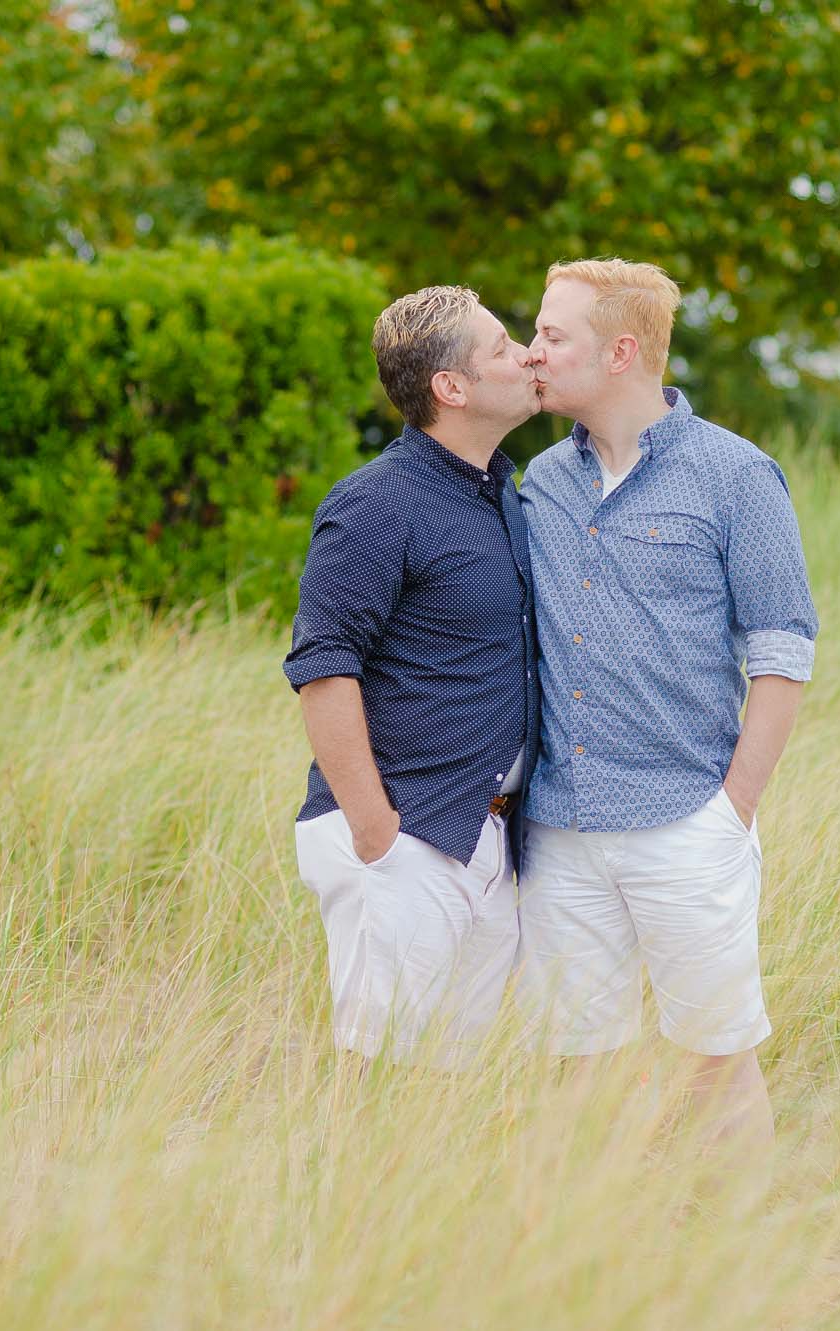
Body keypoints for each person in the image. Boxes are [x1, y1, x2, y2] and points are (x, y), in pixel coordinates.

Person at [517, 258, 818, 1144]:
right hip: (560, 833)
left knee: (715, 1067)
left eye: (550, 334)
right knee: (577, 1073)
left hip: (687, 825)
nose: (533, 349)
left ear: (619, 351)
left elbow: (783, 650)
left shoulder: (737, 476)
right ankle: (596, 1270)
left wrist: (733, 810)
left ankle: (747, 1273)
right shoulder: (541, 483)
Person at [282, 285, 541, 1066]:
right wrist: (378, 835)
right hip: (405, 835)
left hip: (484, 833)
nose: (525, 353)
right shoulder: (374, 504)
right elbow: (323, 669)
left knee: (448, 1097)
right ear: (451, 387)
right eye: (501, 346)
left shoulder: (503, 494)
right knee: (376, 1077)